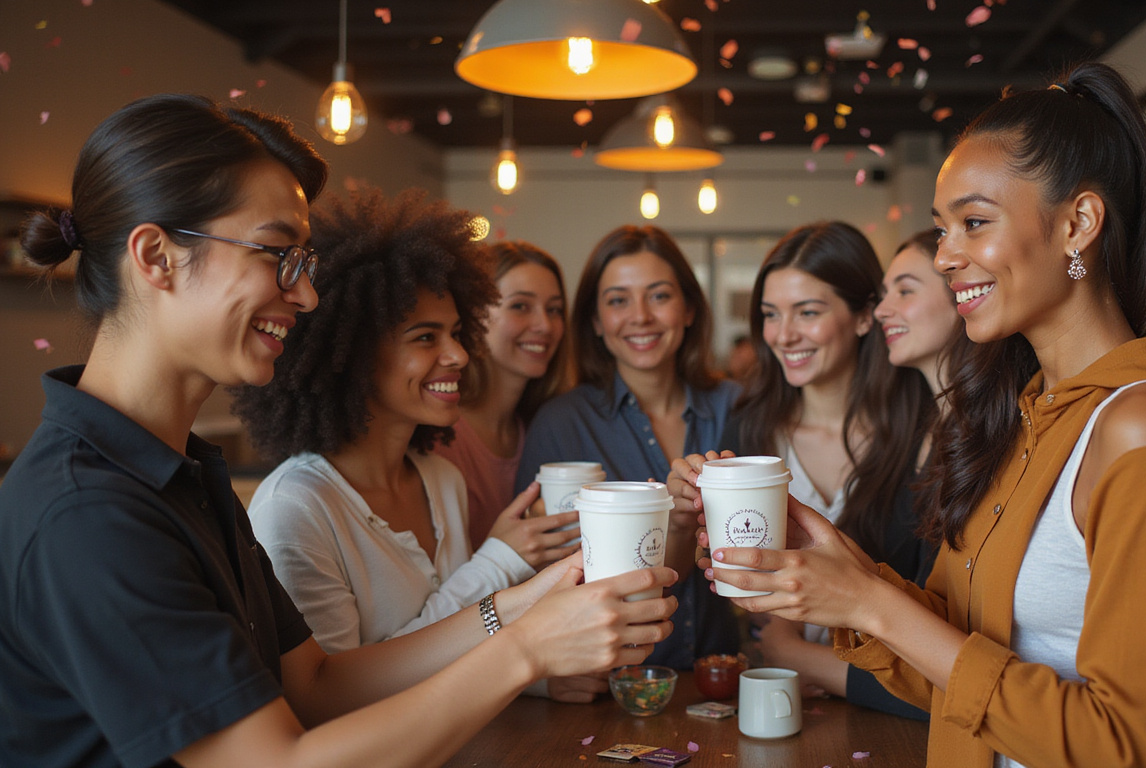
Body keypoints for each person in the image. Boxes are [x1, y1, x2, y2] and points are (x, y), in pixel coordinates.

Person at [0, 94, 676, 768]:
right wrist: (527, 650)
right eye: (274, 255)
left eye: (305, 264)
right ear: (156, 258)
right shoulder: (88, 512)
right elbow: (279, 762)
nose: (306, 297)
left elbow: (317, 685)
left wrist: (528, 604)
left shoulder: (178, 473)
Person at [685, 62, 1146, 767]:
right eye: (943, 228)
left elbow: (1134, 748)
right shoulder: (1027, 418)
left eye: (974, 223)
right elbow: (961, 672)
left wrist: (872, 606)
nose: (948, 257)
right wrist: (843, 579)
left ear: (1079, 223)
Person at [234, 187, 579, 656]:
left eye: (456, 333)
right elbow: (333, 697)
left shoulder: (442, 480)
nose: (458, 355)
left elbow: (461, 657)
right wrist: (499, 561)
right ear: (353, 355)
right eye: (424, 337)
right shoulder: (296, 509)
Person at [736, 227, 962, 717]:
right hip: (783, 696)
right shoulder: (744, 429)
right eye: (771, 315)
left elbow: (939, 633)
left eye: (808, 312)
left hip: (891, 706)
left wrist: (804, 658)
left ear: (862, 317)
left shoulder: (923, 427)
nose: (784, 333)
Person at [516, 225, 740, 670]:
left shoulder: (737, 406)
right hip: (605, 681)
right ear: (596, 322)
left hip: (723, 674)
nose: (640, 316)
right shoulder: (561, 423)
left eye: (659, 296)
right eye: (618, 300)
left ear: (689, 308)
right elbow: (535, 575)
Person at [435, 240, 571, 550]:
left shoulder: (544, 427)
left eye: (554, 310)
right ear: (475, 316)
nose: (544, 325)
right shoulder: (441, 437)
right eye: (520, 306)